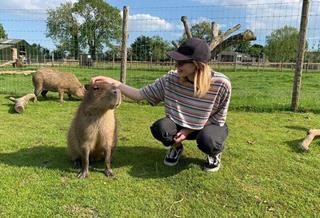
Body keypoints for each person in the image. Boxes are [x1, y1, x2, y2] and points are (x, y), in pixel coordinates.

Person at [92, 38, 231, 172]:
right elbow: (139, 95)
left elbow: (218, 119)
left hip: (208, 126)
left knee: (208, 141)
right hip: (180, 123)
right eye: (176, 60)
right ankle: (176, 147)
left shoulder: (221, 84)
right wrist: (114, 83)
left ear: (198, 64)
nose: (177, 65)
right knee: (161, 128)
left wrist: (189, 131)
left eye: (182, 62)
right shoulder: (171, 79)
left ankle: (214, 154)